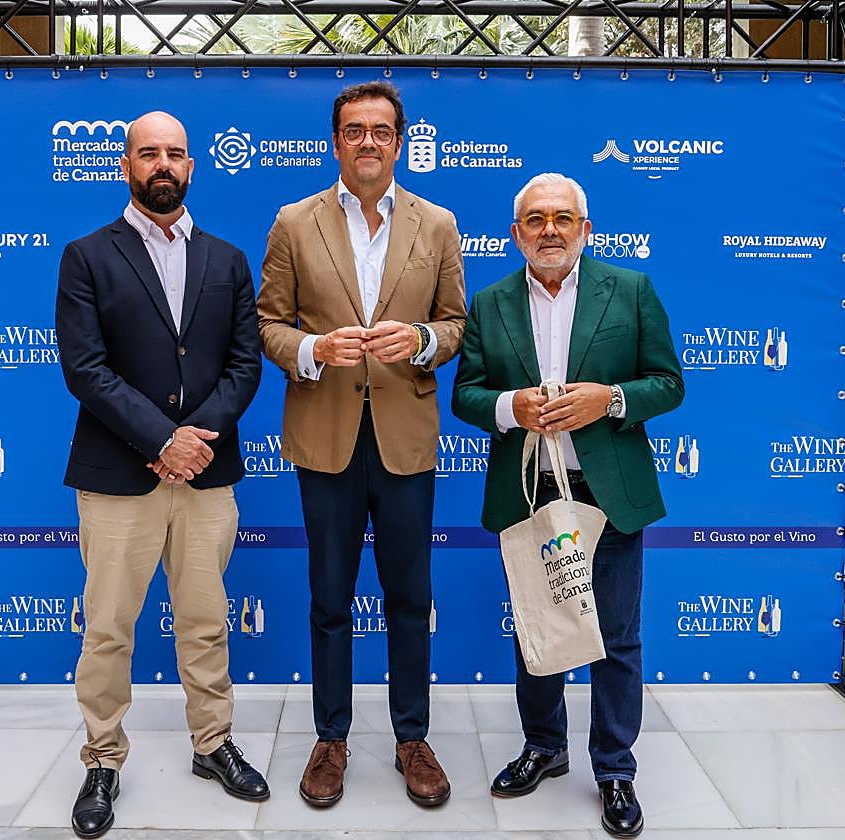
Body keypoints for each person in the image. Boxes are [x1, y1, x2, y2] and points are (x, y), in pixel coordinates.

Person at [56, 111, 267, 839]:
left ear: (193, 166)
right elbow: (85, 369)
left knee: (206, 624)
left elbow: (245, 365)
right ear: (126, 165)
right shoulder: (87, 256)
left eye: (176, 152)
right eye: (149, 153)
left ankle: (212, 744)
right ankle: (103, 759)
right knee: (109, 630)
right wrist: (161, 440)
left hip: (206, 475)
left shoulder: (229, 260)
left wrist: (194, 441)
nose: (163, 165)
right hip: (121, 475)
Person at [452, 173, 683, 838]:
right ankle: (544, 747)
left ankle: (613, 768)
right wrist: (509, 407)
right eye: (534, 220)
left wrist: (607, 399)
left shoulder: (630, 290)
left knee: (617, 640)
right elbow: (465, 393)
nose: (548, 230)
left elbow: (668, 383)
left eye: (562, 218)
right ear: (516, 233)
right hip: (531, 495)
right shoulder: (491, 301)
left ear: (586, 229)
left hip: (608, 496)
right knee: (537, 633)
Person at [256, 81, 466, 808]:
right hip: (326, 439)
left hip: (406, 440)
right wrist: (314, 349)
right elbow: (269, 325)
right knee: (329, 599)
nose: (368, 142)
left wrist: (423, 341)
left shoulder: (437, 223)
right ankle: (331, 738)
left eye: (381, 130)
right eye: (354, 130)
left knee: (411, 597)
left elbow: (457, 325)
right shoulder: (293, 221)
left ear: (399, 141)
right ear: (336, 141)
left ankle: (413, 736)